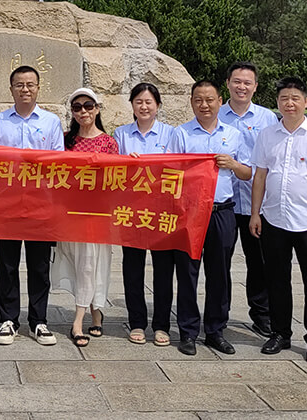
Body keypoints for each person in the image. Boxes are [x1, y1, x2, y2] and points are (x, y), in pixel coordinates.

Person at [250, 76, 307, 364]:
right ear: (277, 103)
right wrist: (255, 213)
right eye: (283, 98)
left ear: (305, 102)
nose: (289, 103)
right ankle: (280, 333)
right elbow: (260, 176)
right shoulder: (267, 135)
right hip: (274, 218)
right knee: (277, 280)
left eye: (295, 98)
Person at [170, 80, 252, 356]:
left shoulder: (233, 134)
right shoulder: (181, 134)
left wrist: (233, 164)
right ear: (191, 102)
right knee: (187, 272)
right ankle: (188, 331)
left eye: (209, 100)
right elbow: (170, 173)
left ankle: (216, 330)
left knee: (220, 273)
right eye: (198, 100)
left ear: (219, 102)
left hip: (222, 212)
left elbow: (247, 173)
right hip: (190, 213)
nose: (204, 105)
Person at [0, 65, 64, 346]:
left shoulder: (51, 122)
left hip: (41, 204)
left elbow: (58, 162)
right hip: (7, 203)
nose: (25, 89)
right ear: (11, 89)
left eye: (30, 84)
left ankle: (38, 321)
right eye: (19, 85)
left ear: (38, 88)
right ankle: (8, 320)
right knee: (7, 264)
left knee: (39, 265)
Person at [112, 83, 177, 346]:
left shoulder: (171, 134)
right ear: (132, 105)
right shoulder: (121, 134)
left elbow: (178, 169)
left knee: (163, 269)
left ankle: (161, 325)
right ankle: (137, 322)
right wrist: (126, 163)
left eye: (149, 102)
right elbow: (113, 170)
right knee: (133, 268)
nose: (144, 106)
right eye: (139, 101)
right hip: (131, 211)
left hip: (162, 211)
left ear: (158, 105)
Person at [53, 87, 117, 348]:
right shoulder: (65, 141)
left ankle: (78, 321)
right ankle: (96, 311)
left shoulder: (109, 142)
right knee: (79, 263)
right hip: (70, 213)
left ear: (97, 109)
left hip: (97, 214)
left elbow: (117, 178)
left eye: (88, 106)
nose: (83, 111)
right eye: (77, 107)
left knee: (91, 264)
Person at [219, 62, 279, 338]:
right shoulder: (217, 115)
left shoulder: (267, 118)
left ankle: (262, 315)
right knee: (221, 262)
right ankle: (219, 315)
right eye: (236, 81)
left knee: (260, 262)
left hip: (259, 204)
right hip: (225, 203)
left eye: (247, 83)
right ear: (228, 83)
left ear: (255, 87)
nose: (241, 87)